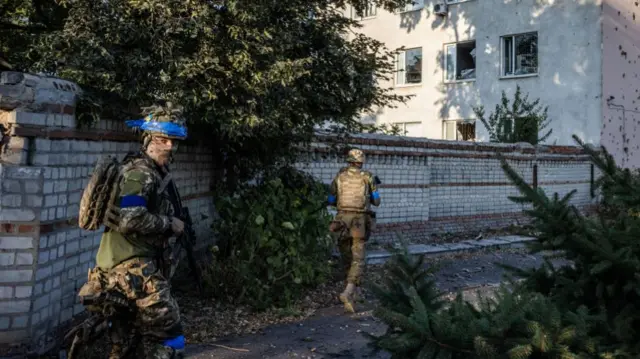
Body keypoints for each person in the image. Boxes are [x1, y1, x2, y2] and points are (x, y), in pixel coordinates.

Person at [77, 102, 188, 358]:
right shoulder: (141, 174)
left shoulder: (146, 170)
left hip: (116, 270)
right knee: (172, 338)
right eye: (163, 139)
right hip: (132, 272)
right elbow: (130, 220)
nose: (169, 146)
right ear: (148, 139)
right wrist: (169, 224)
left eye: (173, 141)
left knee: (126, 345)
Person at [327, 148, 381, 313]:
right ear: (360, 162)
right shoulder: (368, 177)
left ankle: (356, 292)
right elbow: (377, 201)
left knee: (347, 257)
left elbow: (330, 200)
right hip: (359, 221)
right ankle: (348, 292)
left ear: (348, 161)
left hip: (341, 220)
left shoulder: (339, 177)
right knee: (358, 258)